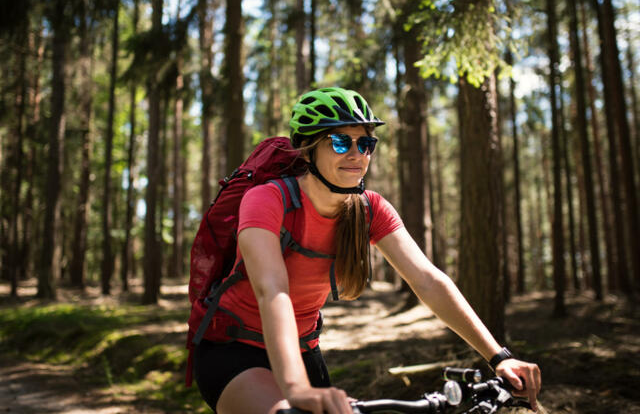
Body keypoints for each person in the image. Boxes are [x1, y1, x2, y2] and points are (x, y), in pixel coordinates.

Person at [193, 87, 541, 414]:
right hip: (234, 349)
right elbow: (273, 290)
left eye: (366, 144)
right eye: (341, 142)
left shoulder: (370, 209)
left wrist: (499, 357)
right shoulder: (268, 199)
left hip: (303, 351)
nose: (358, 154)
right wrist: (296, 387)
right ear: (309, 148)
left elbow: (428, 280)